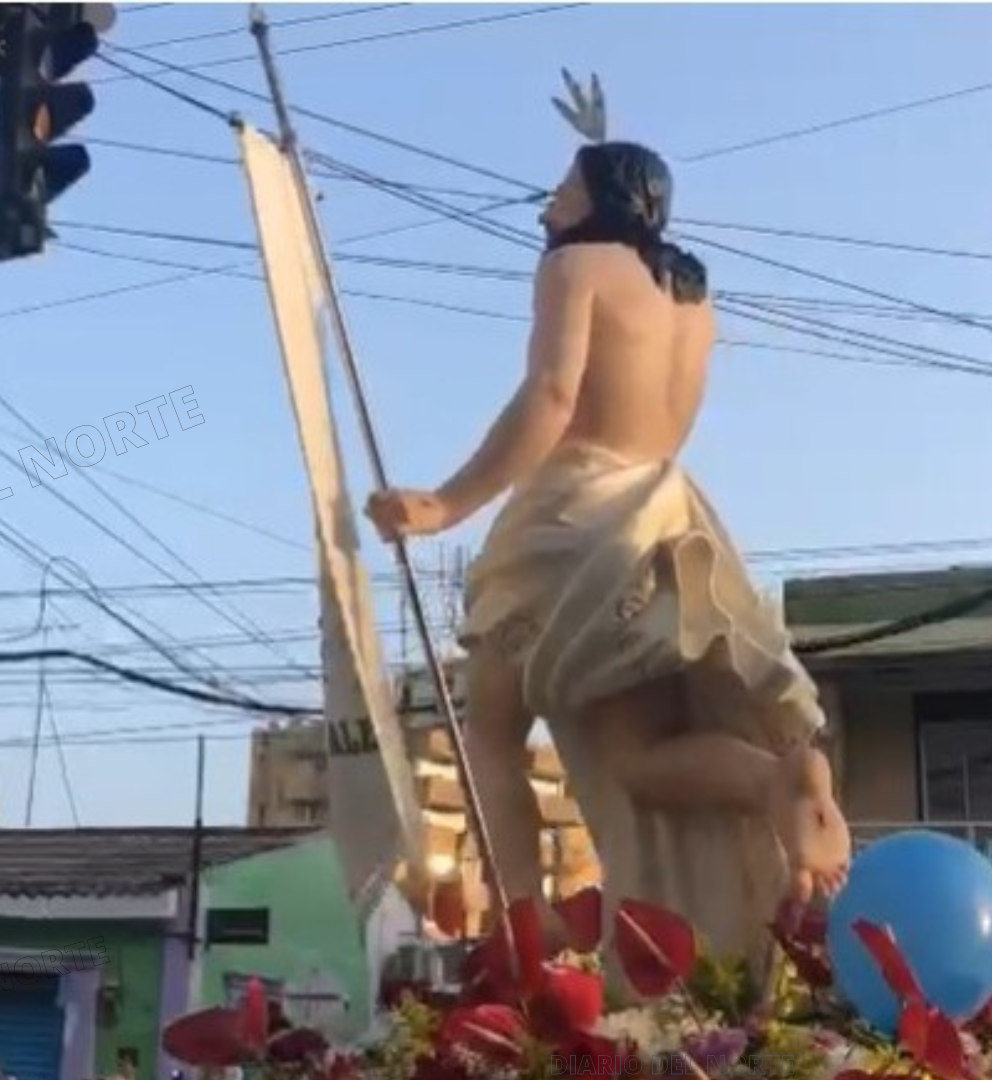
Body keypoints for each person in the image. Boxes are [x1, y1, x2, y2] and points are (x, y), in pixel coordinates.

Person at [364, 136, 852, 973]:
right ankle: (770, 780)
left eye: (560, 189)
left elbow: (553, 397)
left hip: (569, 521)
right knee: (638, 760)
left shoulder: (575, 268)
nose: (548, 206)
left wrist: (447, 503)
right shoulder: (694, 302)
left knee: (492, 729)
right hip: (658, 517)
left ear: (601, 200)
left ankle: (523, 918)